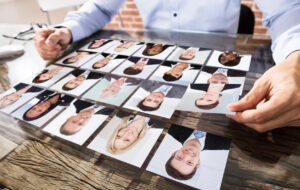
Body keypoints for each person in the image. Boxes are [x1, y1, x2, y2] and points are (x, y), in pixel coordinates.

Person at [33, 0, 300, 132]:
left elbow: (286, 10)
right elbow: (101, 8)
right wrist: (67, 29)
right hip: (152, 66)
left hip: (219, 65)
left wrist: (295, 58)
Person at [165, 125, 230, 180]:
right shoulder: (226, 143)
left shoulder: (171, 127)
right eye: (190, 162)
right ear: (198, 163)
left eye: (179, 158)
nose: (187, 156)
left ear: (174, 153)